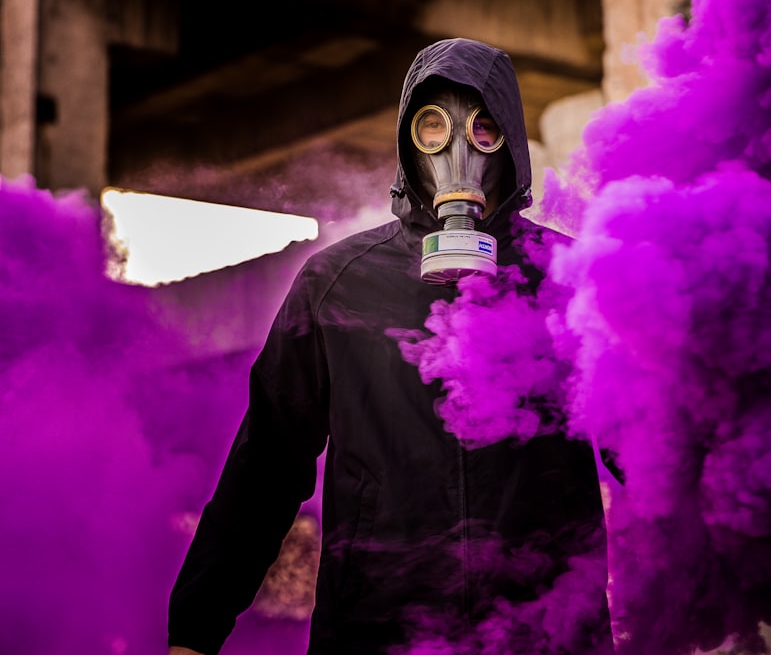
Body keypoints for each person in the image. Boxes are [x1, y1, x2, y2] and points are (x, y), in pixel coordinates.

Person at [167, 37, 611, 655]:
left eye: (484, 131)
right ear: (408, 144)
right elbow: (265, 469)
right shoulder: (338, 284)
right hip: (378, 631)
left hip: (546, 631)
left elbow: (655, 451)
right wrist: (194, 627)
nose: (459, 155)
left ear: (511, 140)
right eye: (435, 129)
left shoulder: (569, 280)